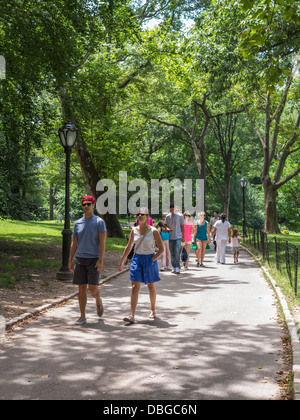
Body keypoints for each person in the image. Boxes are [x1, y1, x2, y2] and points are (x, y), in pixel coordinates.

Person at [118, 208, 164, 324]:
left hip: (149, 259)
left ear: (147, 216)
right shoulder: (134, 230)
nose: (139, 216)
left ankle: (153, 310)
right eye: (137, 214)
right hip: (137, 259)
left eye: (141, 214)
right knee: (134, 287)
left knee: (150, 286)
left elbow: (161, 249)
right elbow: (129, 247)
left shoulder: (154, 231)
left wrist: (152, 260)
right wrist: (122, 261)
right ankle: (131, 315)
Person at [68, 195, 107, 325]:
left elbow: (102, 243)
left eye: (88, 204)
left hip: (94, 259)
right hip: (80, 259)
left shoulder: (99, 222)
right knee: (81, 288)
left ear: (93, 205)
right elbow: (74, 243)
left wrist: (100, 260)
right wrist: (70, 259)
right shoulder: (77, 223)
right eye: (84, 204)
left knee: (93, 289)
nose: (86, 206)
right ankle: (82, 316)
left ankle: (98, 300)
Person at [165, 203, 185, 274]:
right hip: (170, 237)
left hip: (178, 236)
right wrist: (168, 229)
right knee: (172, 252)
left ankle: (177, 267)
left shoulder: (180, 216)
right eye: (170, 209)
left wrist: (183, 236)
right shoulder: (167, 216)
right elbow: (166, 226)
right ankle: (173, 266)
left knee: (177, 251)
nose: (171, 210)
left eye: (172, 209)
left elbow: (182, 226)